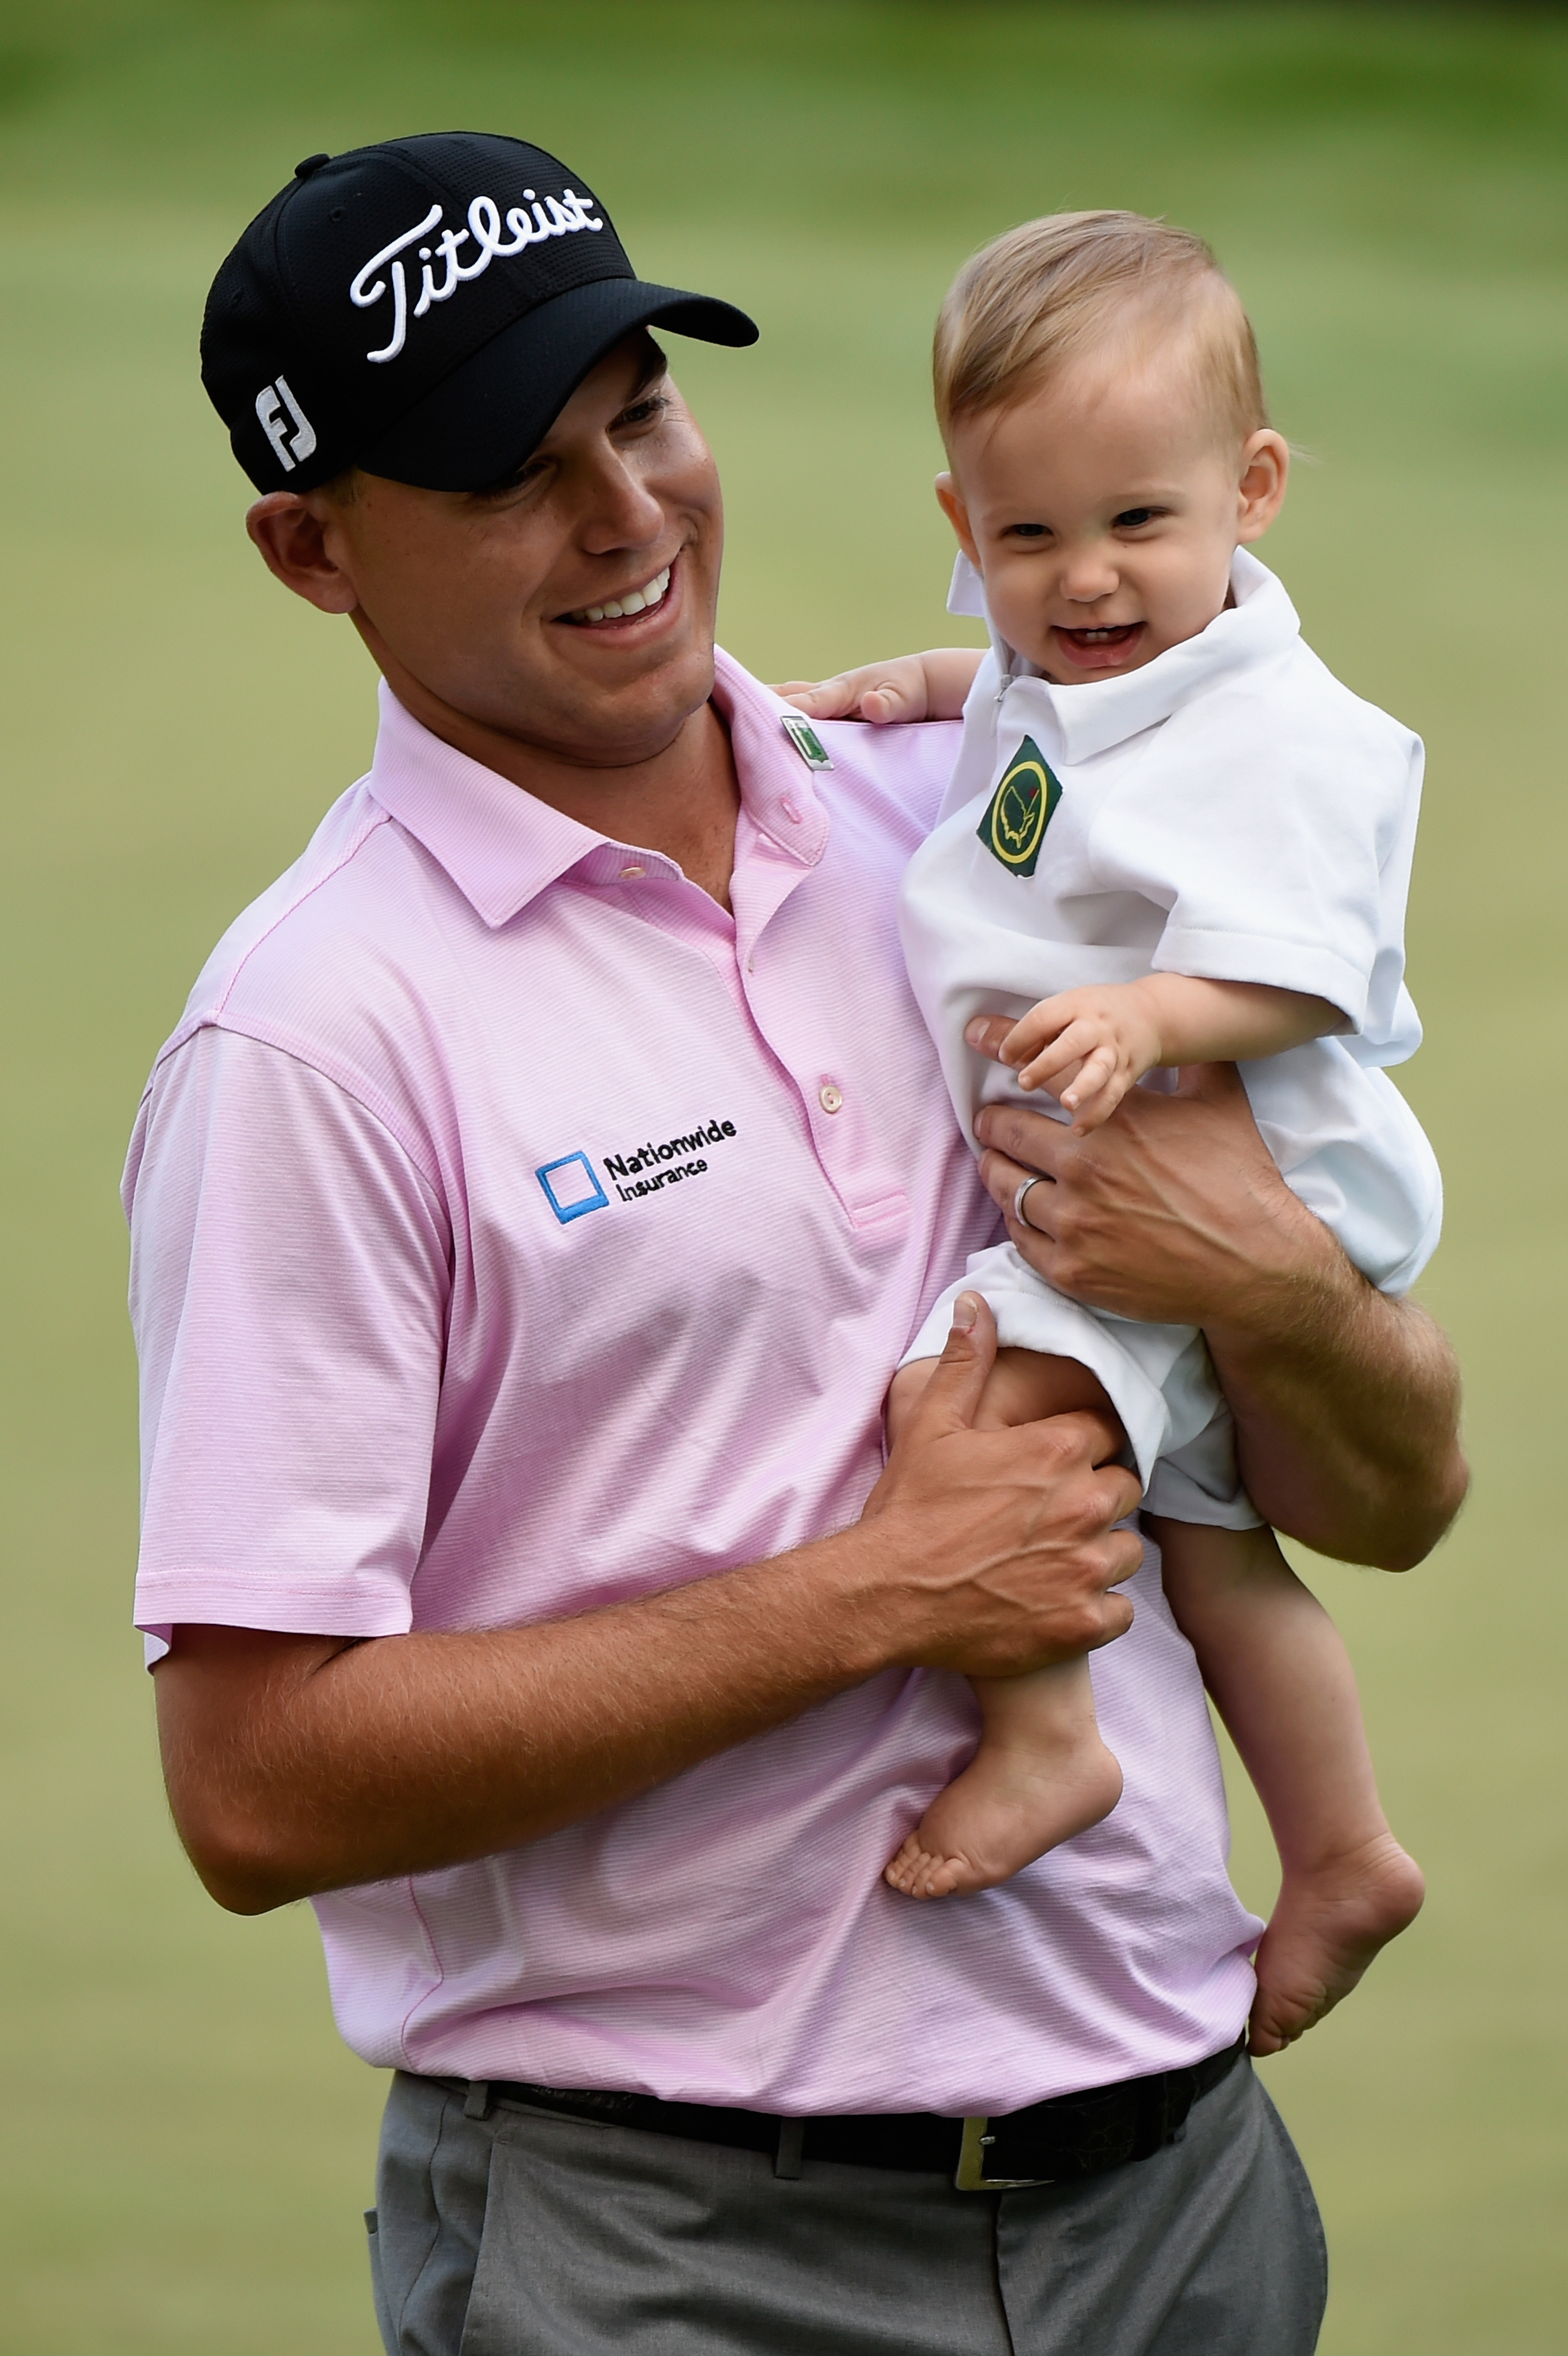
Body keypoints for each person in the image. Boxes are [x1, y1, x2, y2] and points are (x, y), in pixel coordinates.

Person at [128, 135, 1466, 2356]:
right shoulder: (313, 1038)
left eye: (639, 407)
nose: (629, 513)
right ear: (309, 547)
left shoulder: (975, 829)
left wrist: (1278, 1288)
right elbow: (257, 1787)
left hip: (1180, 2187)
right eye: (504, 474)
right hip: (676, 2247)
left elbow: (1389, 1493)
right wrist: (879, 1595)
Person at [780, 212, 1432, 2060]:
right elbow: (1032, 723)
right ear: (963, 526)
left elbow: (1310, 974)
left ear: (1256, 486)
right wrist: (925, 689)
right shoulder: (1071, 665)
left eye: (1142, 524)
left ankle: (1048, 1739)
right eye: (1027, 538)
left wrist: (1155, 1016)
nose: (1088, 581)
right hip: (1135, 1163)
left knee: (967, 1408)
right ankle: (1345, 1849)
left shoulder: (1283, 735)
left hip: (1236, 1156)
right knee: (1213, 1550)